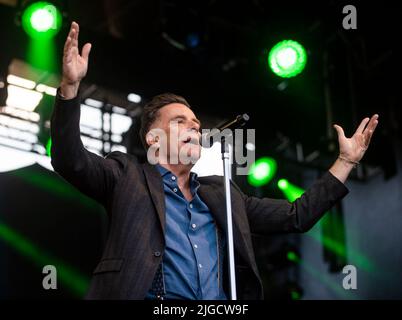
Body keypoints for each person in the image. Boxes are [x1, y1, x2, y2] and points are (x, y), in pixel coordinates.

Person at [51, 22, 379, 300]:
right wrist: (69, 87)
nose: (194, 127)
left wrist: (346, 161)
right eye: (180, 122)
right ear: (153, 138)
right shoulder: (126, 176)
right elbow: (71, 161)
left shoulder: (223, 194)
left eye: (196, 124)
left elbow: (297, 216)